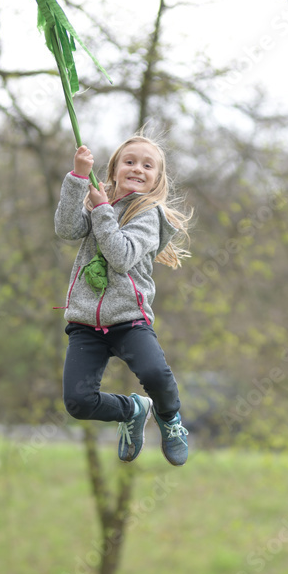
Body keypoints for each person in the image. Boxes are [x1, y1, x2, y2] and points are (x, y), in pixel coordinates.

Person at [54, 134, 191, 465]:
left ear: (157, 178)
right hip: (86, 322)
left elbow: (121, 255)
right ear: (114, 169)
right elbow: (67, 229)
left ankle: (170, 420)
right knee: (78, 402)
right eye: (130, 161)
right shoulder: (99, 202)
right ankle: (133, 409)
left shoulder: (150, 214)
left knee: (156, 376)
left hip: (129, 319)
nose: (138, 169)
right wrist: (76, 179)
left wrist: (102, 209)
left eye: (148, 165)